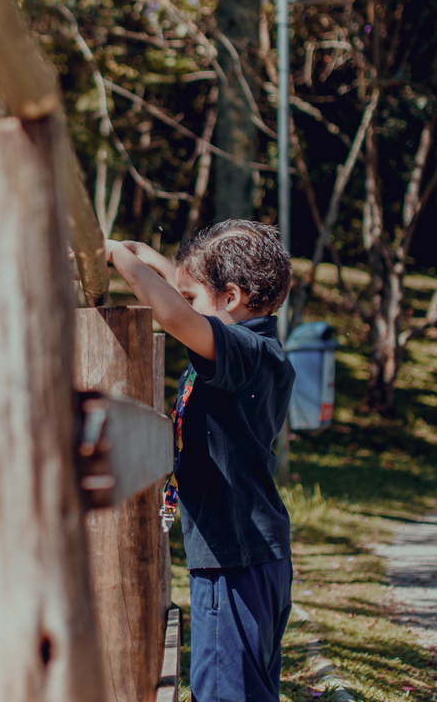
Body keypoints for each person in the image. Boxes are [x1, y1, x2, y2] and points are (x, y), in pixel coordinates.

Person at [104, 220, 295, 702]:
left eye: (191, 296)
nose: (182, 302)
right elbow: (189, 303)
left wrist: (118, 258)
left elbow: (175, 317)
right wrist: (154, 261)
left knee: (224, 692)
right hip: (255, 555)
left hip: (233, 560)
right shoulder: (258, 350)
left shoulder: (244, 353)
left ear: (231, 297)